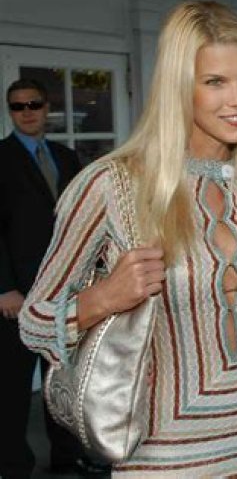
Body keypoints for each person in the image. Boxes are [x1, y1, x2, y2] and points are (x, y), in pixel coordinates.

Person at [19, 0, 237, 476]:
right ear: (178, 88)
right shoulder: (112, 186)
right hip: (165, 455)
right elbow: (34, 322)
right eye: (215, 82)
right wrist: (104, 298)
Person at [0, 79, 90, 478]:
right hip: (17, 294)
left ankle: (67, 457)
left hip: (64, 289)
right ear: (10, 111)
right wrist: (3, 287)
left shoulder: (66, 157)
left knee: (63, 379)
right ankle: (12, 465)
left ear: (46, 107)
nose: (27, 112)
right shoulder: (0, 158)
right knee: (12, 387)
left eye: (34, 104)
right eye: (18, 106)